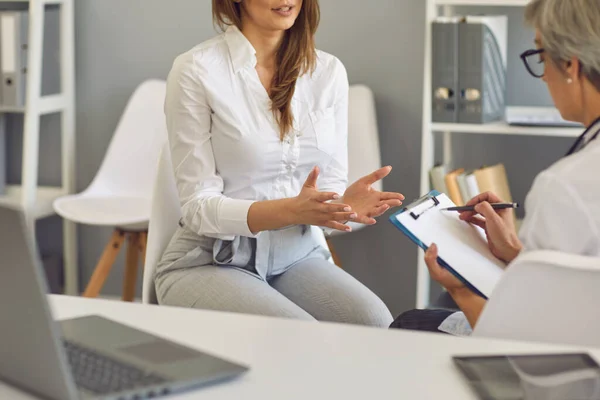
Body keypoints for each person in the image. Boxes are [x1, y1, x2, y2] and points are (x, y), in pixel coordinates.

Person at [155, 0, 405, 327]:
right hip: (211, 259)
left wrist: (340, 204)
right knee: (299, 336)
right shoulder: (196, 70)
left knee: (375, 322)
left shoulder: (328, 72)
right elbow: (197, 208)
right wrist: (291, 211)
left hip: (297, 255)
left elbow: (326, 181)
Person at [393, 0, 600, 334]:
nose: (544, 75)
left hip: (564, 367)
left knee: (409, 322)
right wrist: (517, 253)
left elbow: (519, 342)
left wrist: (460, 289)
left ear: (572, 67)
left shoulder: (565, 186)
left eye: (541, 57)